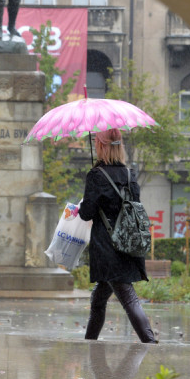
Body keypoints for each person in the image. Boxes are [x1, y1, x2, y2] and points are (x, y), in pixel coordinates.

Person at [78, 129, 157, 343]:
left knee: (128, 297)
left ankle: (150, 342)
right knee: (98, 298)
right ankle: (90, 343)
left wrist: (82, 206)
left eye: (96, 141)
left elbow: (87, 213)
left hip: (108, 246)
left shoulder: (96, 175)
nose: (94, 144)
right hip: (128, 244)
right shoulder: (130, 175)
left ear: (102, 146)